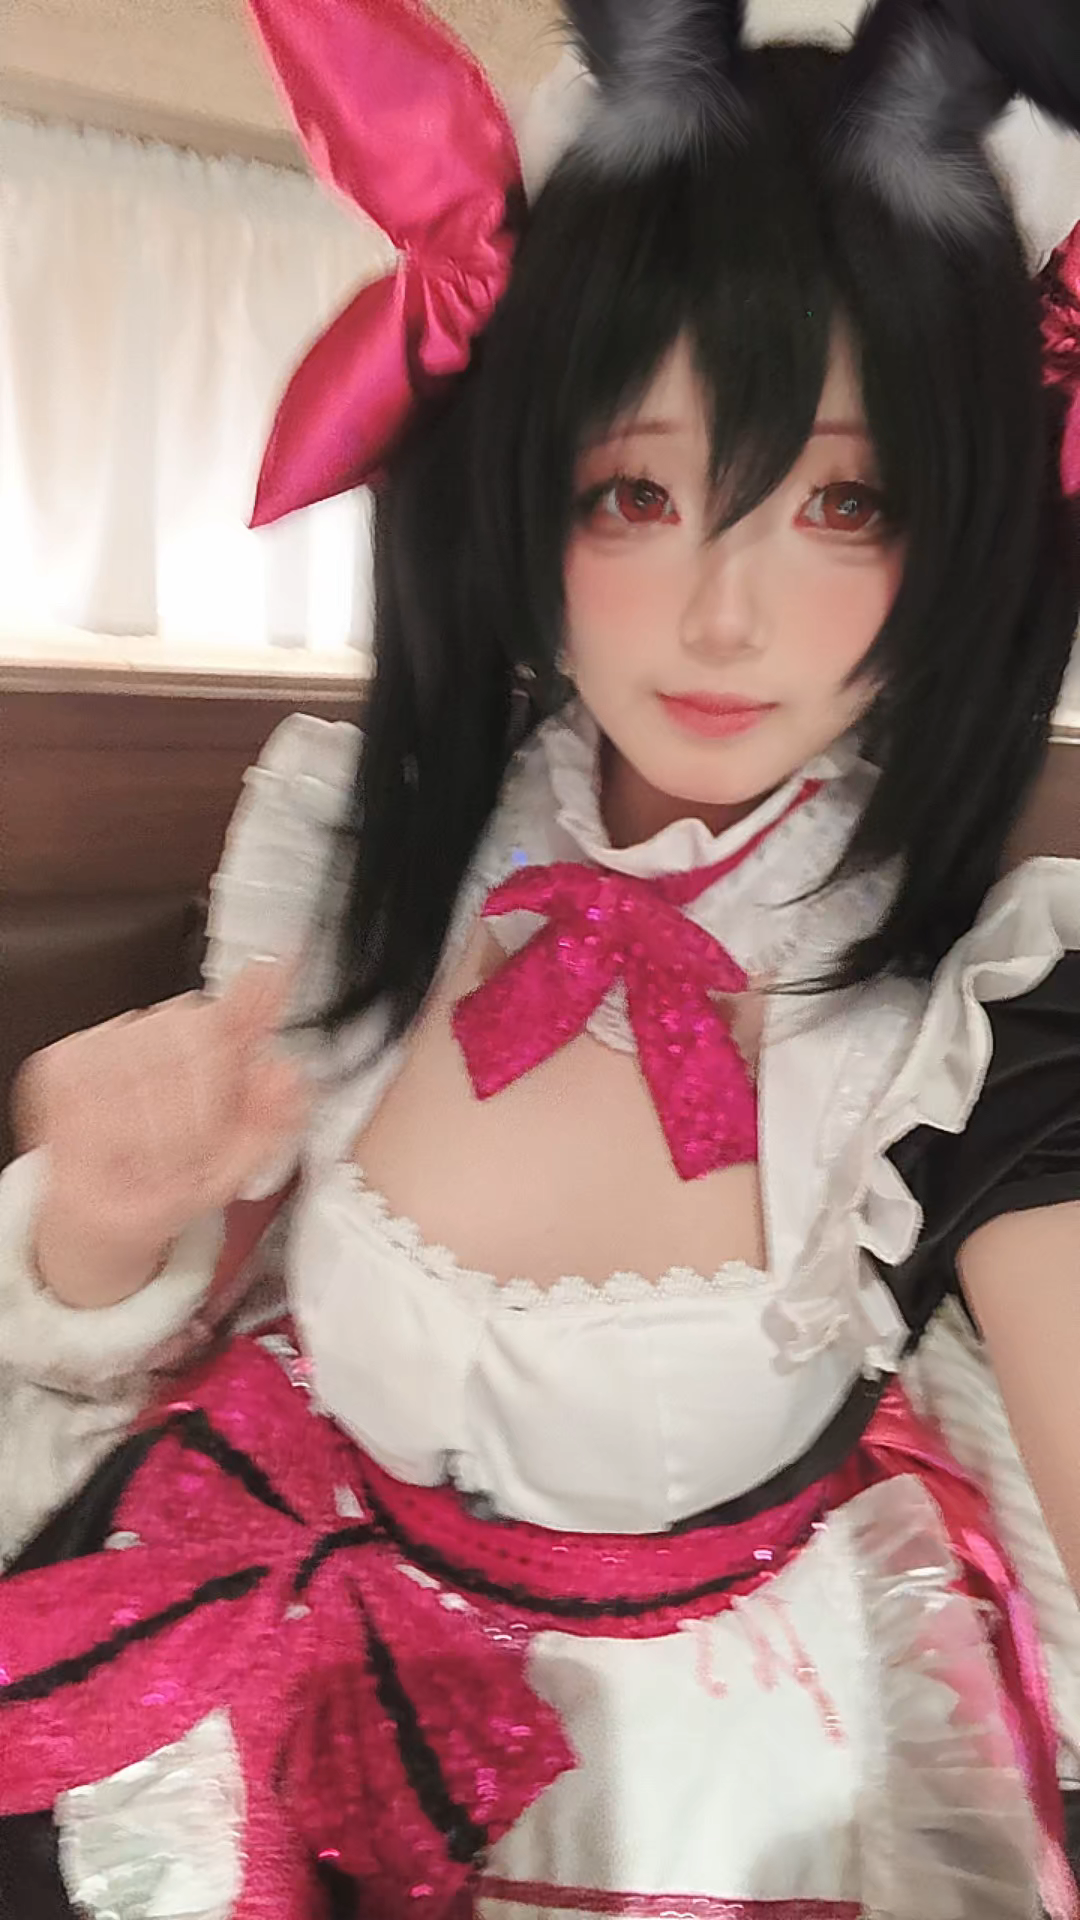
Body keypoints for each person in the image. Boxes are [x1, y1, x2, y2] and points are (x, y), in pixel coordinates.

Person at [4, 0, 1080, 1914]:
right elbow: (176, 1306)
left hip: (691, 1797)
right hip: (254, 1675)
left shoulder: (982, 1009)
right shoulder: (366, 841)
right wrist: (97, 1215)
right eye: (635, 491)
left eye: (842, 502)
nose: (722, 614)